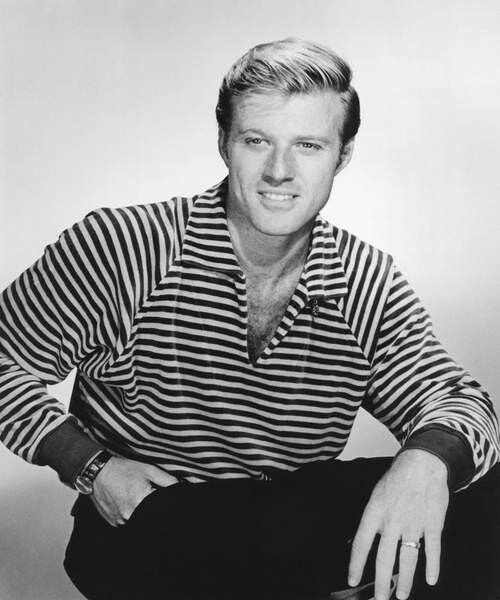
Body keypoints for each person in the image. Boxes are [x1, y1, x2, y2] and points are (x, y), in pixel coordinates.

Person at [0, 38, 498, 600]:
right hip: (149, 520)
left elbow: (459, 402)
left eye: (308, 145)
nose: (279, 171)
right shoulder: (124, 246)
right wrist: (91, 466)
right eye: (256, 141)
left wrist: (427, 463)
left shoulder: (366, 281)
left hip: (280, 524)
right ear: (224, 143)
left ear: (342, 155)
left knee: (479, 491)